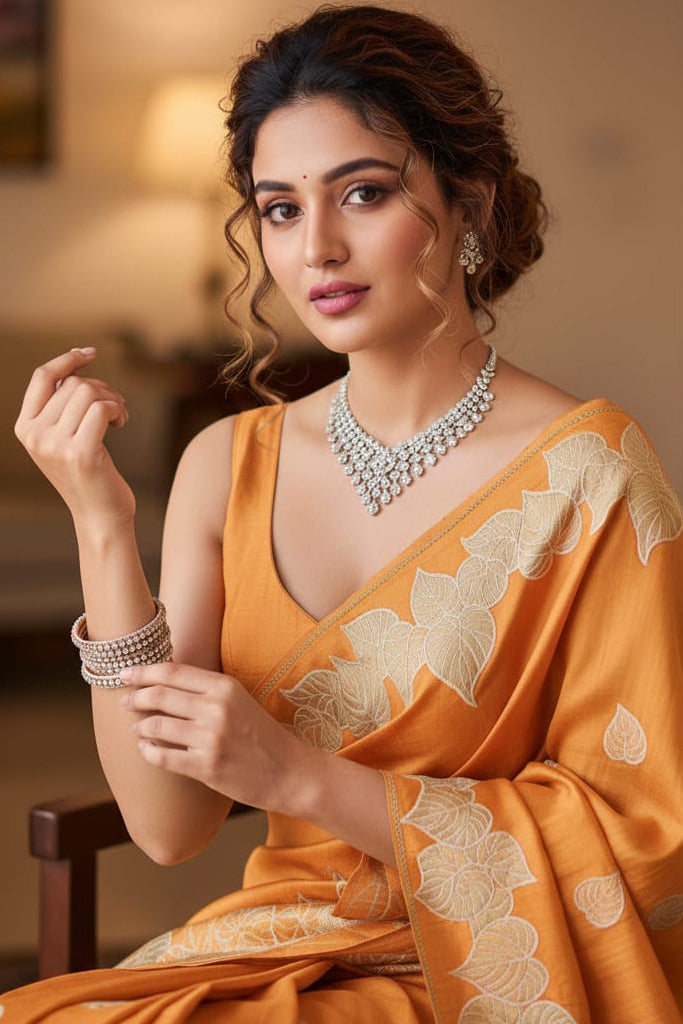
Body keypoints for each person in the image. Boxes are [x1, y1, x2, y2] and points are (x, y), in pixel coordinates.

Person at [5, 4, 683, 1022]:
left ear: (468, 208)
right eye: (279, 208)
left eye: (361, 193)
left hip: (491, 964)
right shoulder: (226, 462)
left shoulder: (587, 471)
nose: (315, 246)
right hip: (272, 949)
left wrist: (296, 774)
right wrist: (101, 525)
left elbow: (643, 835)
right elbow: (167, 826)